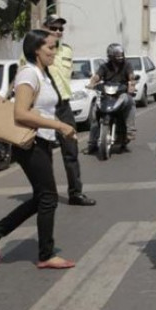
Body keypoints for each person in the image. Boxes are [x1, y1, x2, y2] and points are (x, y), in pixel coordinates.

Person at [0, 29, 77, 269]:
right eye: (50, 48)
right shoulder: (29, 74)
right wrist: (59, 125)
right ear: (36, 49)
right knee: (49, 197)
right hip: (30, 143)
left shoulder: (42, 74)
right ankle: (45, 255)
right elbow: (20, 113)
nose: (55, 52)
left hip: (41, 141)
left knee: (42, 196)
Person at [40, 15, 95, 206]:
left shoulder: (66, 51)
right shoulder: (34, 49)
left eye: (60, 29)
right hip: (43, 108)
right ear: (44, 27)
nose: (57, 32)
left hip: (63, 105)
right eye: (53, 28)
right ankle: (44, 194)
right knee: (43, 153)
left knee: (71, 150)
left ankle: (75, 193)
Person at [85, 43, 137, 153]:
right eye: (117, 55)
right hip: (106, 94)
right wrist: (92, 83)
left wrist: (132, 85)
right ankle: (92, 143)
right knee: (95, 112)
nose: (119, 57)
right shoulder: (104, 66)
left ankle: (130, 131)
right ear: (110, 56)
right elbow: (97, 76)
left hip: (121, 93)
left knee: (131, 102)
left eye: (121, 55)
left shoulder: (127, 65)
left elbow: (131, 76)